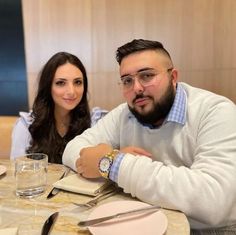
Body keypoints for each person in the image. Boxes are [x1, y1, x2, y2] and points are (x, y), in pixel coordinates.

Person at [62, 39, 236, 233]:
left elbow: (213, 201)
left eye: (147, 76)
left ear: (173, 77)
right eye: (127, 80)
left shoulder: (216, 112)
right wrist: (113, 157)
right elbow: (72, 150)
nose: (136, 88)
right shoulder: (124, 114)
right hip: (143, 220)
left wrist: (114, 163)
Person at [10, 52, 108, 164]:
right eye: (61, 83)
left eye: (77, 82)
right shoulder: (26, 125)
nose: (71, 91)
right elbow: (16, 172)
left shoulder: (96, 121)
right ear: (48, 87)